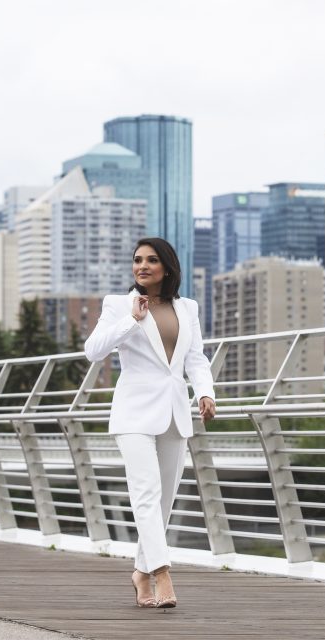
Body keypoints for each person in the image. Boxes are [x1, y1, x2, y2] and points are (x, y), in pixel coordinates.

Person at [84, 237, 217, 609]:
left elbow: (195, 358)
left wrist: (205, 392)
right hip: (134, 413)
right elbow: (93, 351)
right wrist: (132, 320)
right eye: (137, 260)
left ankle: (140, 572)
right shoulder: (119, 305)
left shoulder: (186, 307)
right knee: (145, 493)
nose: (142, 266)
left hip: (175, 411)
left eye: (151, 260)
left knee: (164, 501)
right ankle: (162, 574)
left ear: (167, 267)